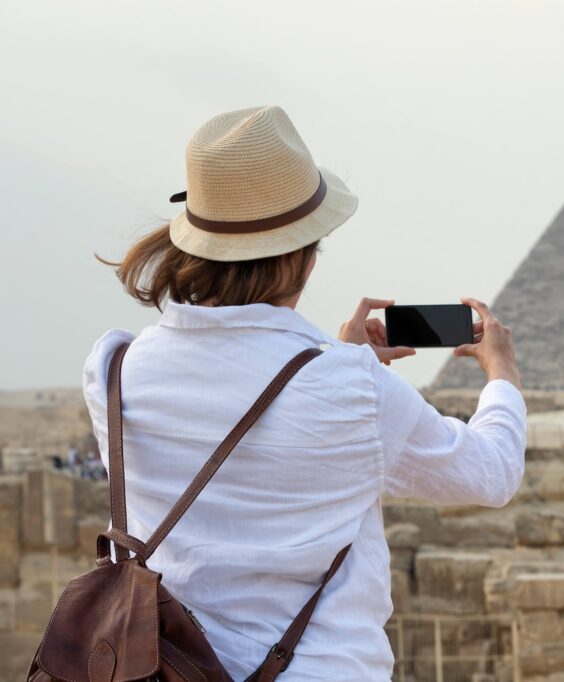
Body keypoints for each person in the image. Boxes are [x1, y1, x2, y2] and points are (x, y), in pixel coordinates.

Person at [83, 106, 526, 680]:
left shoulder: (113, 370)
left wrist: (339, 362)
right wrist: (503, 375)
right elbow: (491, 474)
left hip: (162, 668)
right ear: (303, 255)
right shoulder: (352, 389)